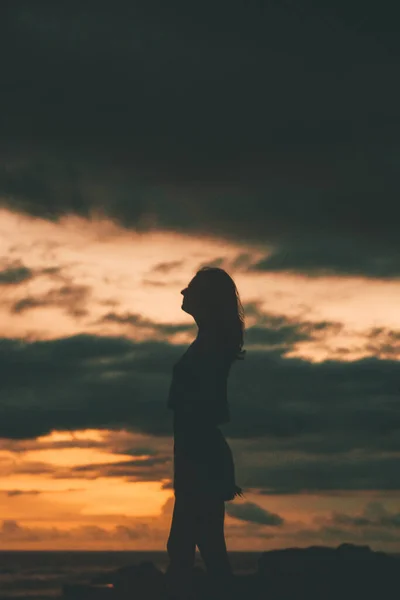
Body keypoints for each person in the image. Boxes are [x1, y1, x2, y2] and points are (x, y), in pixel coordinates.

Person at [165, 266, 245, 600]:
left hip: (199, 452)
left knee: (188, 545)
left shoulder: (211, 345)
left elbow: (204, 410)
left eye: (191, 288)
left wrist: (194, 461)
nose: (183, 293)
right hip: (194, 451)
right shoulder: (207, 342)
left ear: (207, 299)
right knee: (204, 545)